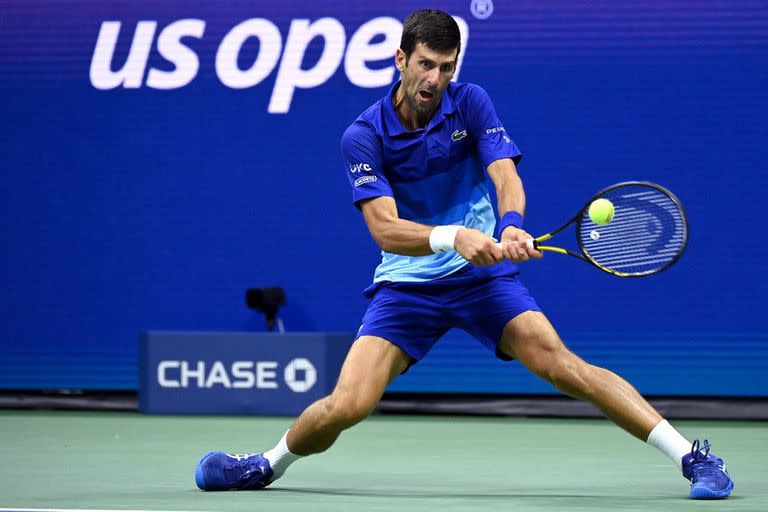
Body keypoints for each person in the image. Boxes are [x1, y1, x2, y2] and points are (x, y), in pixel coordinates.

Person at [194, 9, 733, 500]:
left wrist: (512, 225)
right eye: (425, 65)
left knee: (565, 366)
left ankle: (692, 458)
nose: (435, 79)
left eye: (446, 67)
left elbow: (505, 176)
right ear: (401, 59)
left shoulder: (471, 102)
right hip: (408, 286)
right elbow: (384, 229)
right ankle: (265, 464)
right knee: (348, 405)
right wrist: (454, 236)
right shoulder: (362, 136)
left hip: (483, 283)